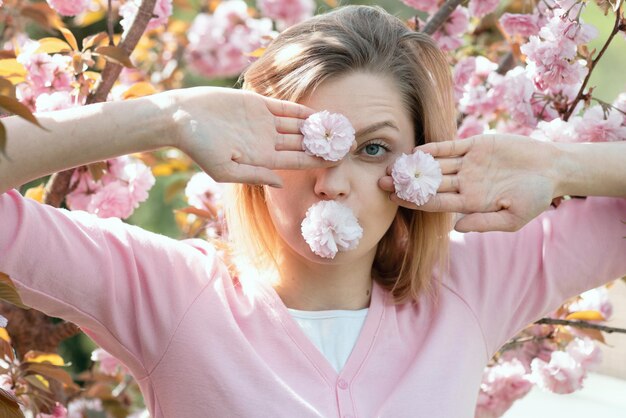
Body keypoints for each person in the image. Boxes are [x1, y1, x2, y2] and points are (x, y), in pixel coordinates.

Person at [0, 4, 624, 417]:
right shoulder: (167, 293)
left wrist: (558, 167)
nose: (334, 182)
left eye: (374, 149)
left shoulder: (470, 288)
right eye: (307, 144)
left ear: (418, 166)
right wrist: (165, 117)